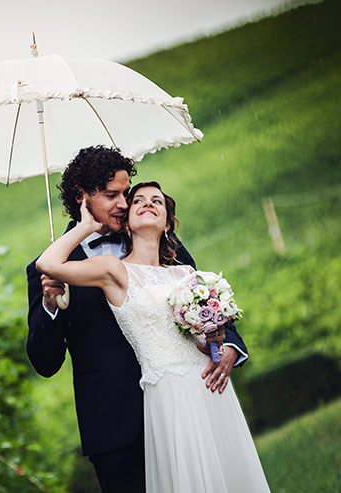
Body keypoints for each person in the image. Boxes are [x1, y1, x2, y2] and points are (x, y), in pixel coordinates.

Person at [25, 146, 248, 492]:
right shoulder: (53, 265)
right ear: (81, 197)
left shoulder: (161, 243)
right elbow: (45, 361)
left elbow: (198, 294)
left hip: (183, 403)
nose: (124, 204)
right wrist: (52, 305)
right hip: (114, 425)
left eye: (125, 193)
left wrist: (230, 342)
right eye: (112, 195)